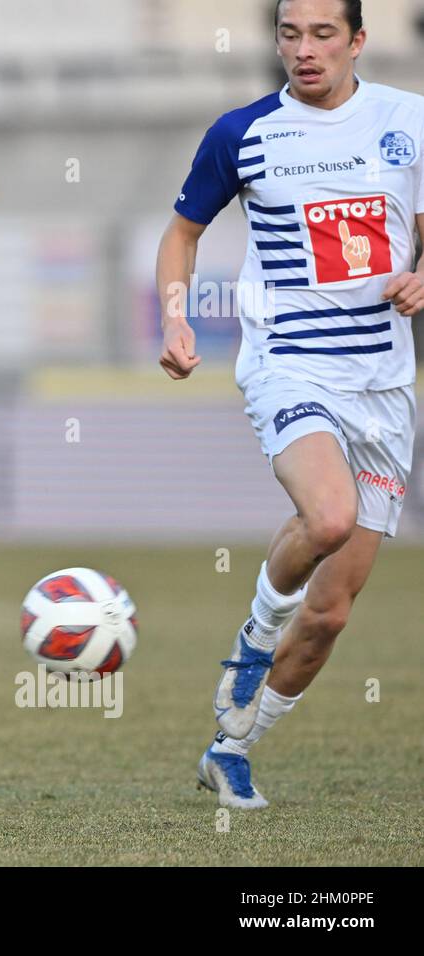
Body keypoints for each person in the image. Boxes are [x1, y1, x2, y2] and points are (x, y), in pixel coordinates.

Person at [158, 0, 424, 808]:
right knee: (330, 516)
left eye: (321, 35)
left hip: (384, 383)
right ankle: (253, 634)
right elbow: (182, 232)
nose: (303, 51)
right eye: (288, 34)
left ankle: (230, 746)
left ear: (357, 42)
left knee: (332, 616)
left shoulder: (407, 122)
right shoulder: (240, 133)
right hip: (290, 366)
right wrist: (176, 312)